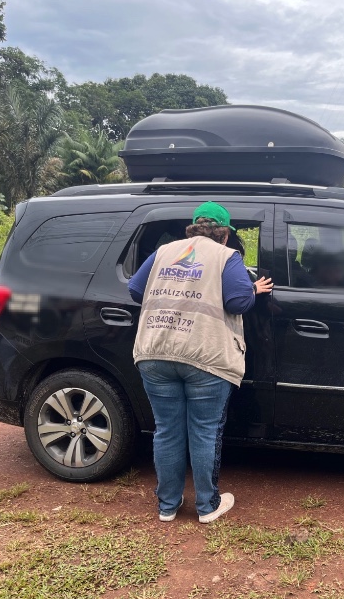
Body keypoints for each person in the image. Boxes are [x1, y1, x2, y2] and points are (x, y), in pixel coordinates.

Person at [128, 201, 273, 523]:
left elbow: (136, 290)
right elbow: (237, 301)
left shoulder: (165, 251)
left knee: (166, 430)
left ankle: (167, 506)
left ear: (192, 228)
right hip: (204, 356)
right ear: (224, 234)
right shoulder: (225, 256)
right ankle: (207, 507)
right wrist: (252, 288)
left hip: (155, 350)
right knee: (204, 432)